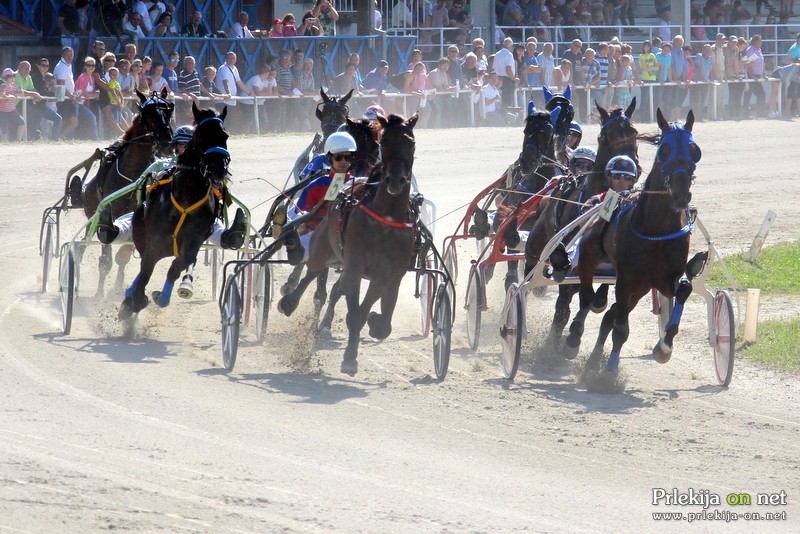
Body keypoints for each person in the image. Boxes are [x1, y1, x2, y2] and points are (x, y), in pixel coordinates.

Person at [97, 125, 247, 250]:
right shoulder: (161, 165)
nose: (189, 150)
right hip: (160, 213)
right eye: (184, 145)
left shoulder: (205, 167)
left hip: (196, 217)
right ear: (175, 146)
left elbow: (219, 190)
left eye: (192, 145)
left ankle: (230, 238)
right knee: (135, 218)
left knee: (213, 224)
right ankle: (111, 231)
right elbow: (141, 185)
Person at [283, 131, 358, 264]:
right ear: (329, 158)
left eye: (348, 157)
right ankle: (289, 235)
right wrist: (301, 224)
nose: (343, 161)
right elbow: (300, 210)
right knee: (300, 255)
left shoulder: (358, 185)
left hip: (349, 237)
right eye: (338, 157)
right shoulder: (316, 185)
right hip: (316, 233)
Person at [0, 68, 25, 142]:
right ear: (6, 77)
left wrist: (13, 94)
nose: (14, 77)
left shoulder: (14, 85)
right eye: (12, 76)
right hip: (2, 111)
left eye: (14, 76)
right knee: (4, 129)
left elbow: (22, 93)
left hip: (12, 110)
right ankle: (4, 143)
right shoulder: (2, 85)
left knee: (22, 122)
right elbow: (3, 96)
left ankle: (19, 141)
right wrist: (11, 97)